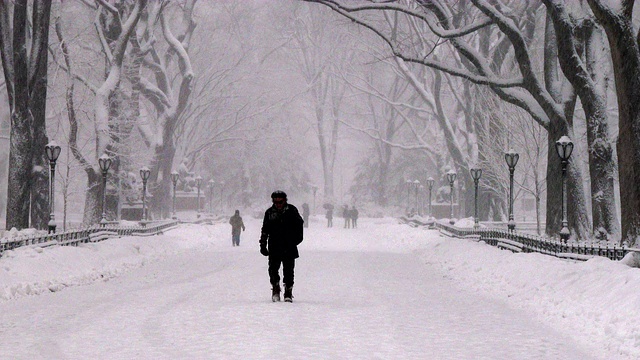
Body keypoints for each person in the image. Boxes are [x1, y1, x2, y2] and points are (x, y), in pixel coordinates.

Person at [259, 190, 304, 302]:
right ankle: (275, 288)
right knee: (273, 269)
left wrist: (296, 240)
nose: (278, 204)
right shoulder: (269, 213)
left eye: (280, 201)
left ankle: (288, 291)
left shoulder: (292, 211)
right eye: (276, 201)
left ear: (285, 200)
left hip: (289, 246)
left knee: (289, 271)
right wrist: (263, 244)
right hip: (274, 246)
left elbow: (299, 226)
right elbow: (265, 229)